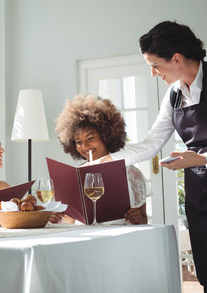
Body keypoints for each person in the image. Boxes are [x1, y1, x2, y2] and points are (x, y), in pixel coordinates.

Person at [96, 21, 207, 293]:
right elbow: (152, 143)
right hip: (199, 193)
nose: (153, 73)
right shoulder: (174, 93)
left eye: (155, 65)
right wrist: (106, 161)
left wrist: (201, 158)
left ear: (176, 59)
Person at [54, 94, 149, 225]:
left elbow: (144, 219)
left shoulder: (131, 174)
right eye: (78, 141)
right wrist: (56, 218)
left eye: (90, 138)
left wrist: (138, 218)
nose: (84, 146)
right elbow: (70, 221)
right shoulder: (75, 176)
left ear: (106, 136)